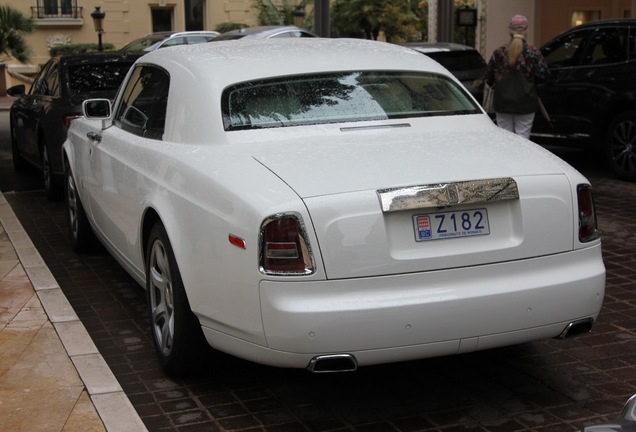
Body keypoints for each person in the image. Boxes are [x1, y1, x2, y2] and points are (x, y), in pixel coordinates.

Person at [485, 15, 549, 139]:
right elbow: (544, 75)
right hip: (526, 102)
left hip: (502, 103)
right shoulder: (533, 52)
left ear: (510, 31)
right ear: (526, 32)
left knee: (505, 139)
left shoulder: (499, 53)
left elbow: (488, 77)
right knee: (523, 139)